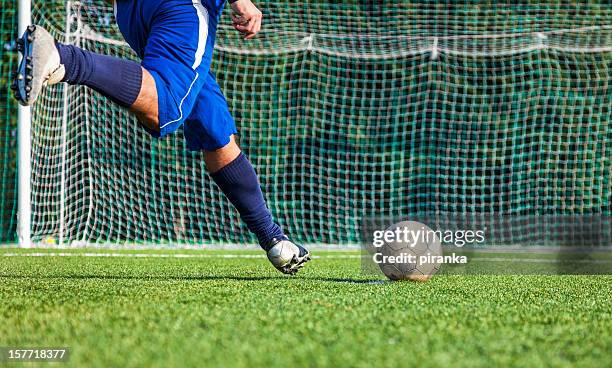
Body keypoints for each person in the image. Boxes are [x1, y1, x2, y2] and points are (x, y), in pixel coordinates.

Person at [12, 0, 311, 275]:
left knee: (213, 128)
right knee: (166, 103)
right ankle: (64, 58)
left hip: (132, 13)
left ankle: (273, 238)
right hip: (182, 5)